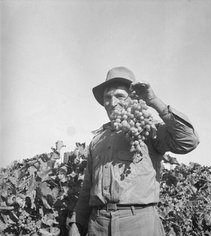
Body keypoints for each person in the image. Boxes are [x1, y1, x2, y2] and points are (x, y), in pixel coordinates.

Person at [67, 66, 199, 236]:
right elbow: (87, 188)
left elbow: (188, 140)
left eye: (119, 96)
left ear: (133, 100)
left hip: (138, 224)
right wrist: (77, 222)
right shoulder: (97, 140)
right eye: (108, 97)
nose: (112, 103)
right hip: (98, 225)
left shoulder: (146, 128)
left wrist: (154, 101)